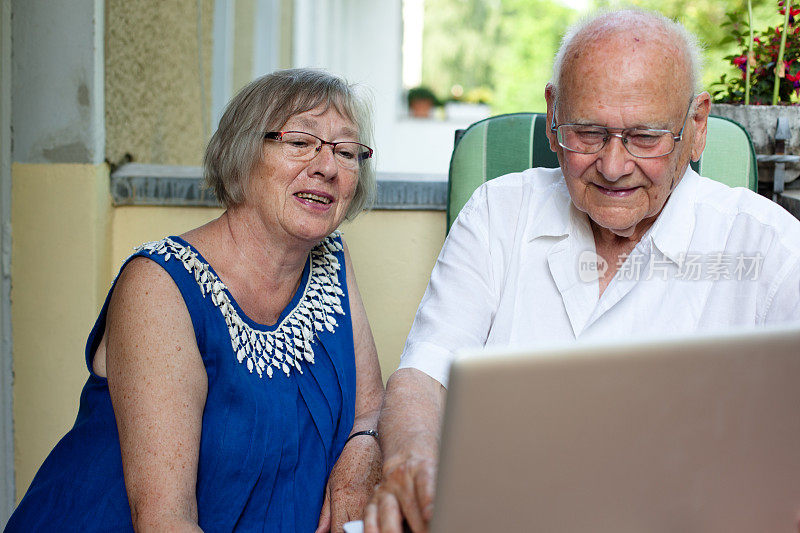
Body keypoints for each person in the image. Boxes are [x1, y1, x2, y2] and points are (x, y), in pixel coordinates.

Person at [364, 9, 800, 532]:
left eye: (645, 137)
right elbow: (425, 373)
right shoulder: (499, 211)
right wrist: (411, 459)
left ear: (696, 126)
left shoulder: (768, 245)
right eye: (588, 133)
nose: (613, 167)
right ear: (552, 115)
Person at [7, 68, 384, 532]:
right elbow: (166, 522)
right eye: (300, 142)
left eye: (346, 152)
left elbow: (368, 409)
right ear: (242, 154)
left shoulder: (331, 260)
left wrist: (362, 450)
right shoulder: (158, 287)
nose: (327, 167)